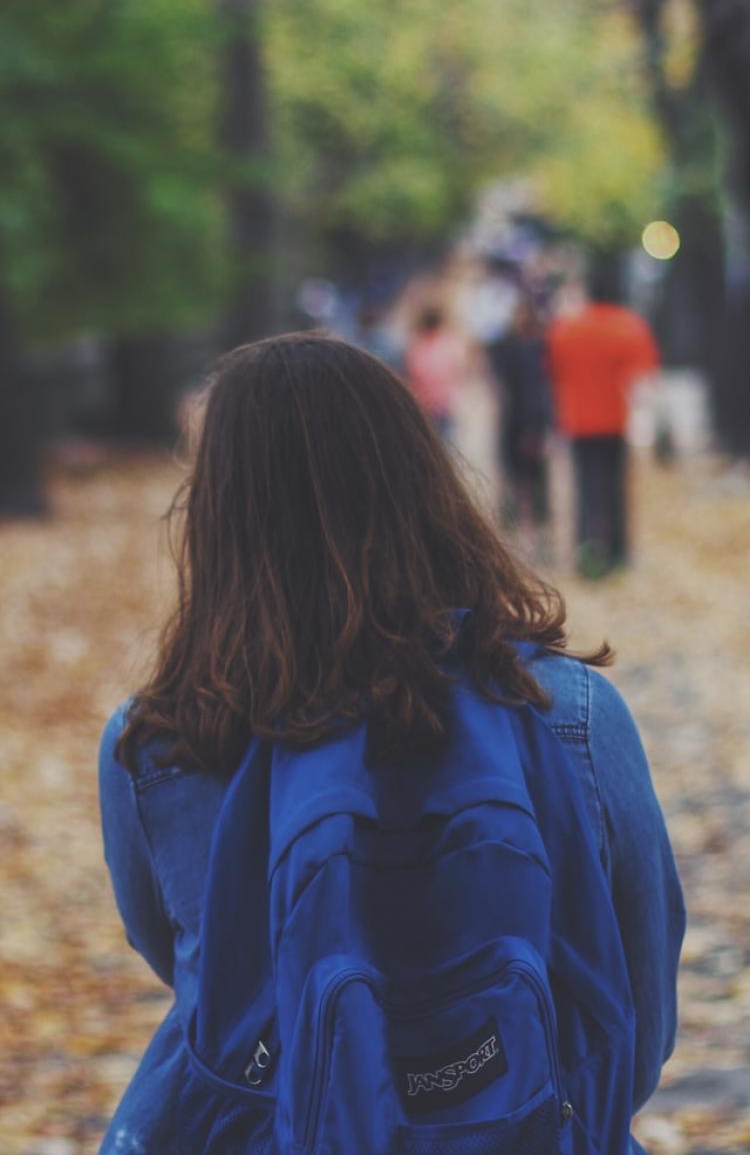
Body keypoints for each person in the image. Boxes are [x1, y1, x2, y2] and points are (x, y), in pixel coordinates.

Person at [98, 334, 683, 1155]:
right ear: (425, 482)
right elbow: (638, 1011)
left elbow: (198, 977)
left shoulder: (158, 742)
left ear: (218, 513)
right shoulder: (570, 712)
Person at [547, 260, 660, 577]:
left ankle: (586, 549)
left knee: (585, 487)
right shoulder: (629, 326)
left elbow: (554, 371)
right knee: (615, 488)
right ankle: (619, 552)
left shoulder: (567, 328)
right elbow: (643, 379)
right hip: (615, 420)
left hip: (578, 420)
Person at [487, 295, 553, 554]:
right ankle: (520, 532)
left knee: (533, 479)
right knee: (516, 477)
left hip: (530, 420)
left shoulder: (536, 347)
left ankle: (536, 533)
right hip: (514, 420)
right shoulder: (517, 347)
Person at [404, 304, 466, 439]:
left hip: (426, 404)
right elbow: (458, 371)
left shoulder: (416, 346)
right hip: (440, 404)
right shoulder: (449, 345)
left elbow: (411, 374)